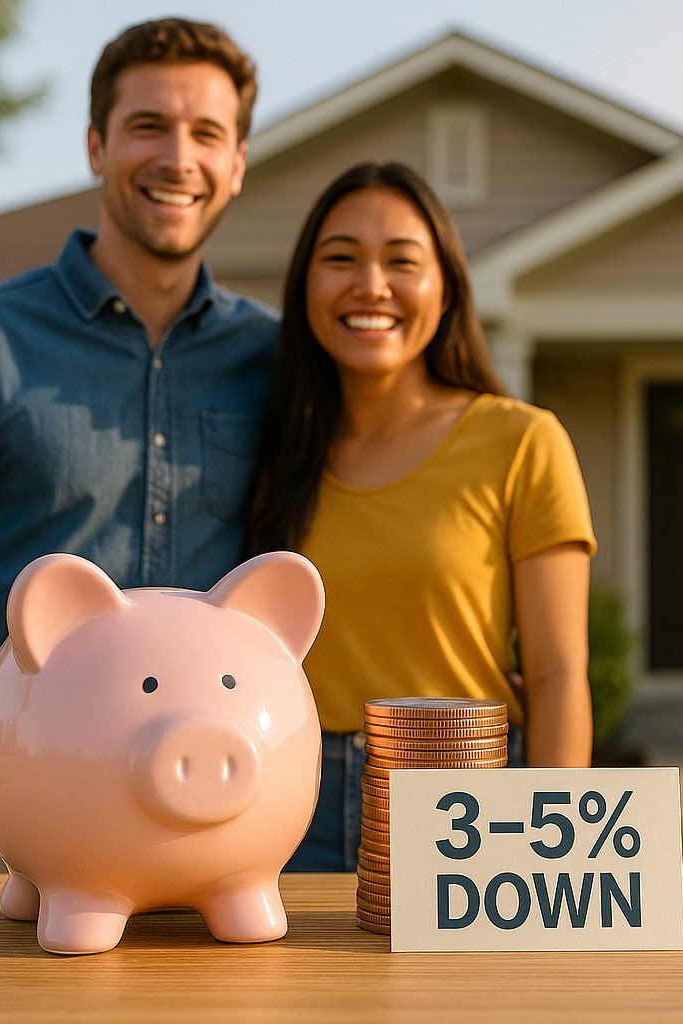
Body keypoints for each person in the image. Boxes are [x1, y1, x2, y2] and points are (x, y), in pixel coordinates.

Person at [0, 18, 275, 872]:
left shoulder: (277, 363)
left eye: (207, 134)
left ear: (237, 165)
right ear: (95, 145)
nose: (178, 158)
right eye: (147, 126)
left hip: (224, 839)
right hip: (10, 834)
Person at [245, 162, 596, 872]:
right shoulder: (272, 452)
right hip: (284, 796)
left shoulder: (523, 440)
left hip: (465, 799)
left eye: (402, 262)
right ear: (304, 287)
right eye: (339, 258)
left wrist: (556, 856)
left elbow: (558, 674)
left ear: (446, 288)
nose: (370, 286)